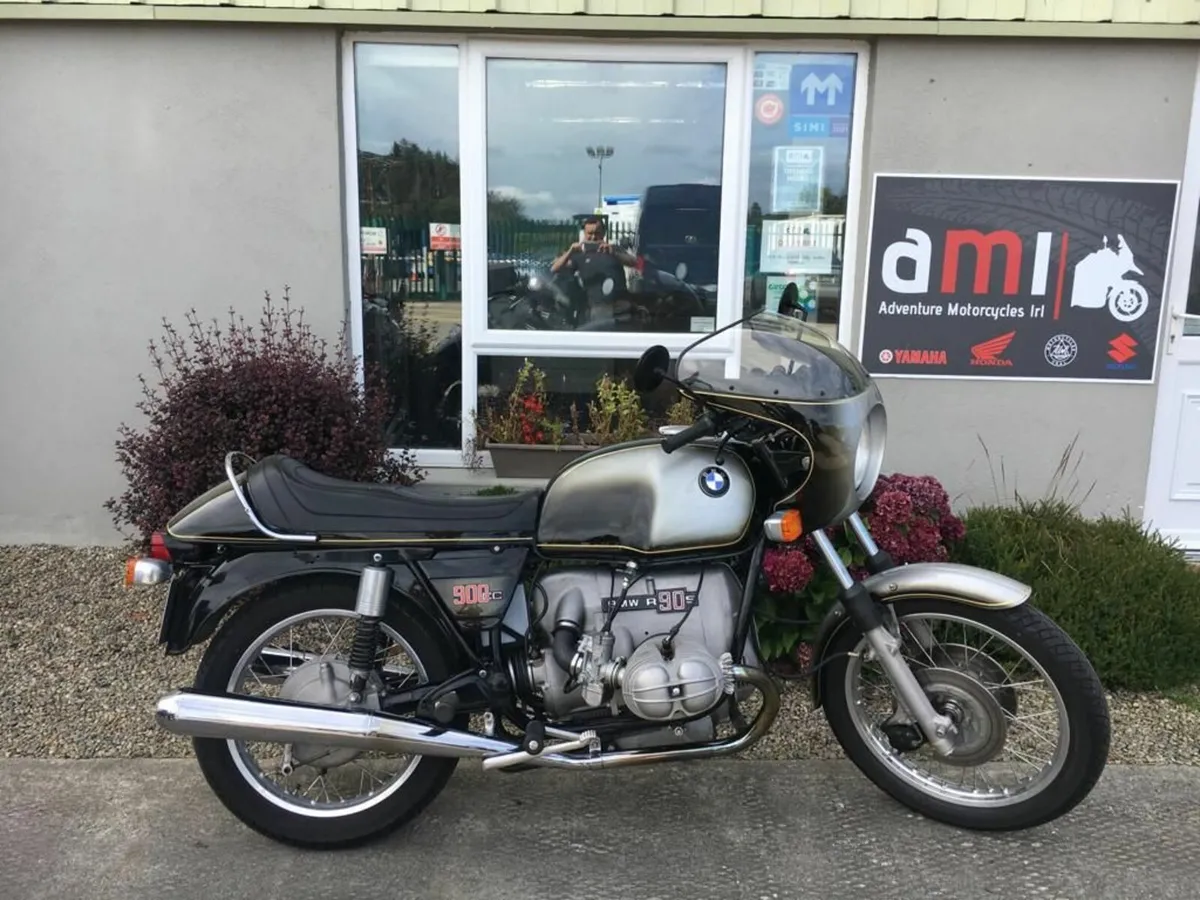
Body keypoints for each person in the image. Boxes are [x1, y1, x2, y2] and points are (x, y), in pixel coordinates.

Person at [550, 215, 637, 274]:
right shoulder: (579, 252)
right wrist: (570, 252)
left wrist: (614, 254)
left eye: (597, 233)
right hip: (591, 299)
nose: (594, 237)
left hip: (616, 298)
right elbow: (554, 269)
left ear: (603, 233)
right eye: (590, 234)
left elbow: (636, 263)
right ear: (584, 233)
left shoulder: (612, 249)